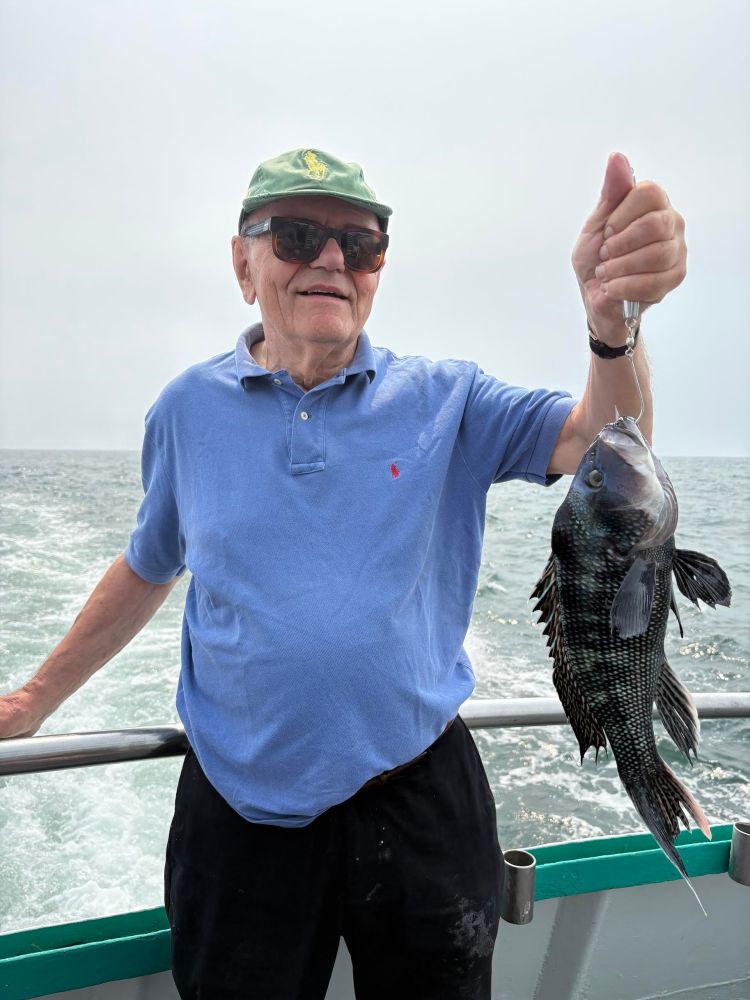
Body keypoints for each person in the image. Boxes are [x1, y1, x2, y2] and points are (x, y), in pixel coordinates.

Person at [0, 147, 686, 999]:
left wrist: (613, 324)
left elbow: (606, 448)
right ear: (243, 264)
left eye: (361, 245)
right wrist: (34, 700)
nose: (332, 259)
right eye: (298, 235)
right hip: (240, 812)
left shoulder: (449, 398)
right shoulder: (185, 410)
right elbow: (147, 565)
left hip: (420, 792)